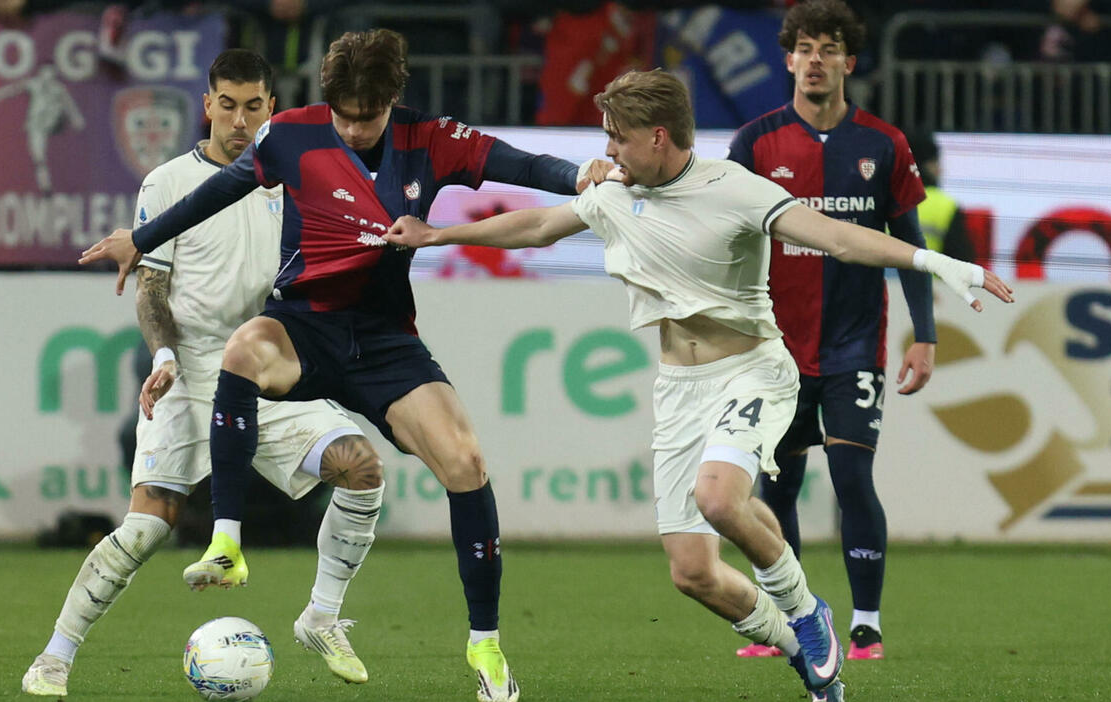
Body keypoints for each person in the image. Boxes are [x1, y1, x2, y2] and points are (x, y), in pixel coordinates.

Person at [382, 69, 1013, 702]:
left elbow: (837, 238)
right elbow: (538, 227)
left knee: (718, 498)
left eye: (617, 138)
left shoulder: (733, 188)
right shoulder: (613, 193)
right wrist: (438, 235)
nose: (607, 152)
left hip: (752, 371)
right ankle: (804, 656)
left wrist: (935, 261)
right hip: (679, 389)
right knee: (693, 573)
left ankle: (804, 610)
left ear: (658, 137)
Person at [78, 29, 612, 702]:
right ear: (327, 102)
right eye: (346, 115)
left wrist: (576, 174)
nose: (356, 129)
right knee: (243, 350)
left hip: (385, 340)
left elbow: (516, 162)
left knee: (467, 464)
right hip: (302, 325)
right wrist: (142, 237)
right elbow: (212, 195)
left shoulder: (430, 140)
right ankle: (227, 540)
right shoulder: (293, 136)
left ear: (394, 100)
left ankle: (485, 645)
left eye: (370, 115)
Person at [23, 49, 385, 697]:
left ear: (272, 107)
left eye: (254, 106)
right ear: (208, 104)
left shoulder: (293, 180)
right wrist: (163, 356)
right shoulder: (166, 183)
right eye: (228, 104)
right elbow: (151, 291)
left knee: (361, 466)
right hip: (188, 376)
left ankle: (321, 616)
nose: (240, 120)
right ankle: (53, 658)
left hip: (267, 370)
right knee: (143, 530)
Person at [727, 0, 931, 661]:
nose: (816, 60)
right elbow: (729, 238)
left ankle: (866, 621)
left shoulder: (882, 144)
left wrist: (923, 334)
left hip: (853, 347)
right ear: (787, 60)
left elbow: (912, 245)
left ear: (849, 60)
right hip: (774, 351)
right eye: (805, 48)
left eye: (829, 49)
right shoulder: (755, 143)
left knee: (851, 479)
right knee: (776, 486)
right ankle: (793, 617)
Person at [906, 128, 978, 264]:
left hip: (885, 284)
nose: (940, 170)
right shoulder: (945, 206)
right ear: (926, 165)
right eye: (936, 162)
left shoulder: (881, 200)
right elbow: (963, 263)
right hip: (931, 284)